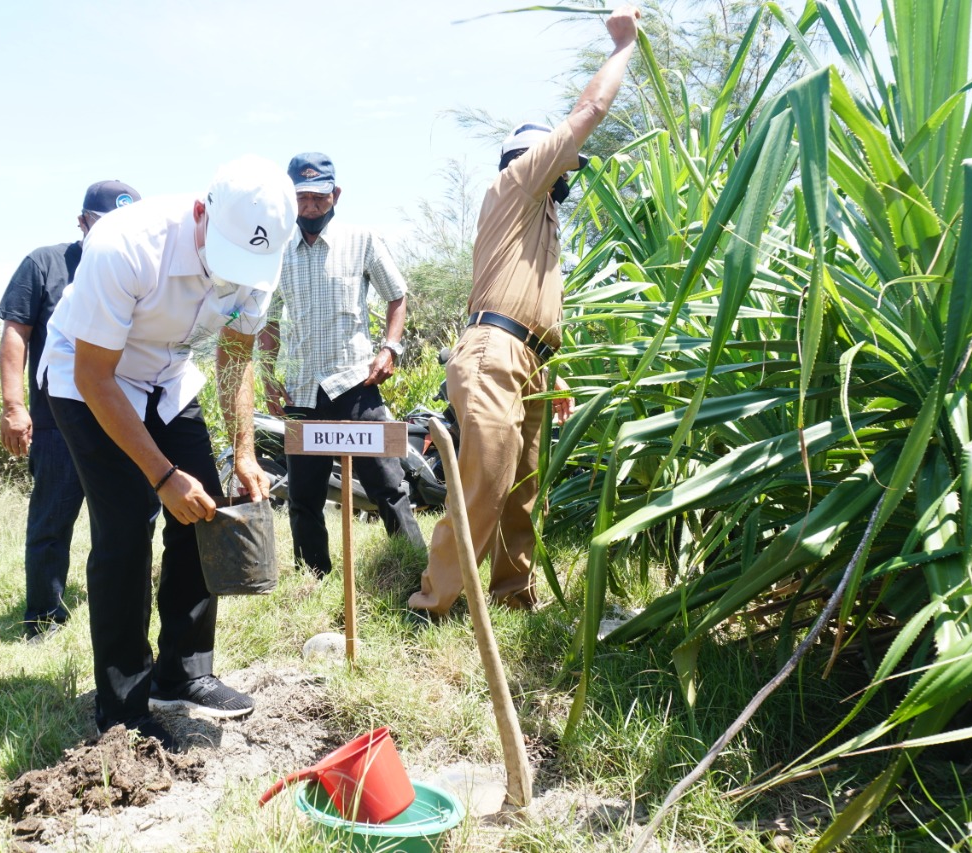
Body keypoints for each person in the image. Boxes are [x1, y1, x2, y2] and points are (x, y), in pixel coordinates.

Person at [40, 155, 295, 748]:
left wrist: (244, 453)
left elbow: (235, 355)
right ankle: (123, 705)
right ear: (201, 212)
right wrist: (160, 476)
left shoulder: (263, 261)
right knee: (127, 527)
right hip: (89, 381)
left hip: (169, 377)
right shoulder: (126, 244)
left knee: (201, 516)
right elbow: (96, 376)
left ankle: (183, 672)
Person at [409, 6, 641, 618]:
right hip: (494, 352)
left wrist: (548, 371)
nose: (569, 173)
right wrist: (621, 47)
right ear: (533, 159)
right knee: (487, 480)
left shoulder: (542, 221)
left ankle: (514, 597)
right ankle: (433, 602)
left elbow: (533, 305)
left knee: (524, 489)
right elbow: (589, 113)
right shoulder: (514, 186)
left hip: (527, 360)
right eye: (562, 162)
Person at [259, 153, 425, 578]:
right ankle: (313, 580)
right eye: (302, 199)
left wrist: (390, 348)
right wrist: (267, 375)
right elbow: (270, 319)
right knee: (303, 497)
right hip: (301, 391)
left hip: (355, 384)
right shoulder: (277, 252)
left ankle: (414, 570)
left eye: (319, 197)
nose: (311, 207)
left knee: (388, 486)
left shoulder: (361, 240)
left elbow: (397, 294)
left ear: (336, 194)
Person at [0, 179, 141, 641]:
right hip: (58, 418)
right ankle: (43, 617)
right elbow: (16, 334)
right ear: (82, 223)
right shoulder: (45, 263)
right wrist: (14, 406)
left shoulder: (141, 269)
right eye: (103, 224)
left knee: (126, 518)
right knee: (52, 519)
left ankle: (123, 609)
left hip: (122, 417)